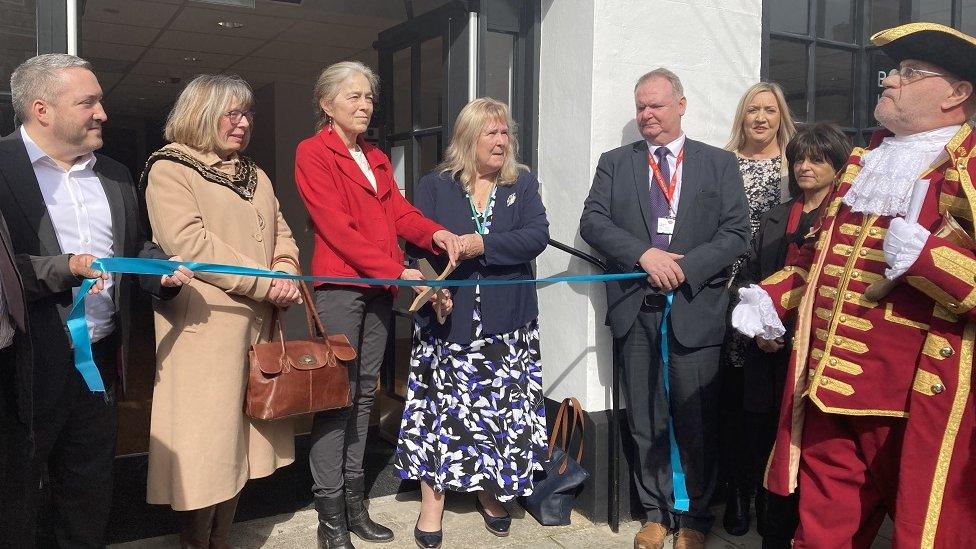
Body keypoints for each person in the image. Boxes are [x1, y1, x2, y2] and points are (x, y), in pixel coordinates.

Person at [733, 22, 976, 548]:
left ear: (957, 94)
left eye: (910, 73)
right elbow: (817, 257)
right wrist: (773, 297)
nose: (889, 80)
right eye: (893, 71)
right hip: (828, 387)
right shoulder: (866, 163)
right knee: (821, 535)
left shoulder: (969, 168)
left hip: (913, 403)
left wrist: (929, 260)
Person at [0, 53, 191, 548]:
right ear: (41, 109)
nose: (102, 112)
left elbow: (131, 250)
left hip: (98, 363)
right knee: (14, 493)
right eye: (88, 102)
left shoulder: (115, 174)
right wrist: (67, 268)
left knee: (88, 488)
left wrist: (159, 272)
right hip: (20, 366)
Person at [579, 67, 750, 549]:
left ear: (681, 105)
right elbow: (593, 220)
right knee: (646, 415)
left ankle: (694, 517)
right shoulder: (616, 162)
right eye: (640, 107)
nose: (646, 115)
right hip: (637, 308)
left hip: (696, 308)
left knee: (696, 416)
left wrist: (686, 266)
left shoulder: (718, 164)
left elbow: (736, 233)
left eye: (655, 104)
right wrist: (643, 254)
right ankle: (654, 512)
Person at [294, 61, 462, 549]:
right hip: (341, 288)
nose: (365, 105)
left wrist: (435, 233)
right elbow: (335, 229)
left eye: (369, 97)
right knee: (335, 400)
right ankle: (331, 520)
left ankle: (354, 504)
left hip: (378, 292)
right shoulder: (313, 152)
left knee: (364, 396)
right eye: (353, 97)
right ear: (326, 104)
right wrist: (397, 270)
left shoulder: (377, 156)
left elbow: (399, 214)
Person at [142, 74, 302, 548]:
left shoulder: (257, 175)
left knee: (241, 446)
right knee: (204, 450)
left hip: (257, 331)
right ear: (200, 113)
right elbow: (189, 243)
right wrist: (267, 283)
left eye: (247, 113)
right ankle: (196, 542)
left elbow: (284, 234)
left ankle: (222, 540)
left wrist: (287, 269)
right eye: (232, 113)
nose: (243, 123)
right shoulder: (170, 169)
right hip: (203, 333)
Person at [394, 97, 550, 549]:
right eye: (492, 133)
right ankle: (433, 502)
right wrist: (432, 290)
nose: (502, 141)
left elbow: (536, 236)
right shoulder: (435, 185)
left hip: (507, 324)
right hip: (450, 320)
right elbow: (417, 245)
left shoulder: (522, 183)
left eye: (506, 133)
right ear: (468, 138)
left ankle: (489, 491)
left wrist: (483, 244)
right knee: (441, 413)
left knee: (498, 414)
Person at [738, 123, 851, 548]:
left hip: (814, 350)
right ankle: (771, 530)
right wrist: (761, 330)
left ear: (838, 166)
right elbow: (750, 276)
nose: (804, 166)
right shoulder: (773, 216)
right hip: (764, 349)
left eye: (816, 159)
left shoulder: (843, 221)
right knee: (763, 438)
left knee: (806, 446)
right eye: (799, 159)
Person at [719, 82, 796, 536]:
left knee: (767, 401)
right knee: (732, 397)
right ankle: (737, 493)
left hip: (776, 287)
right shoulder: (723, 162)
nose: (761, 118)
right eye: (753, 110)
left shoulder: (795, 164)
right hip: (727, 290)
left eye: (769, 110)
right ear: (742, 116)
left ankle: (771, 496)